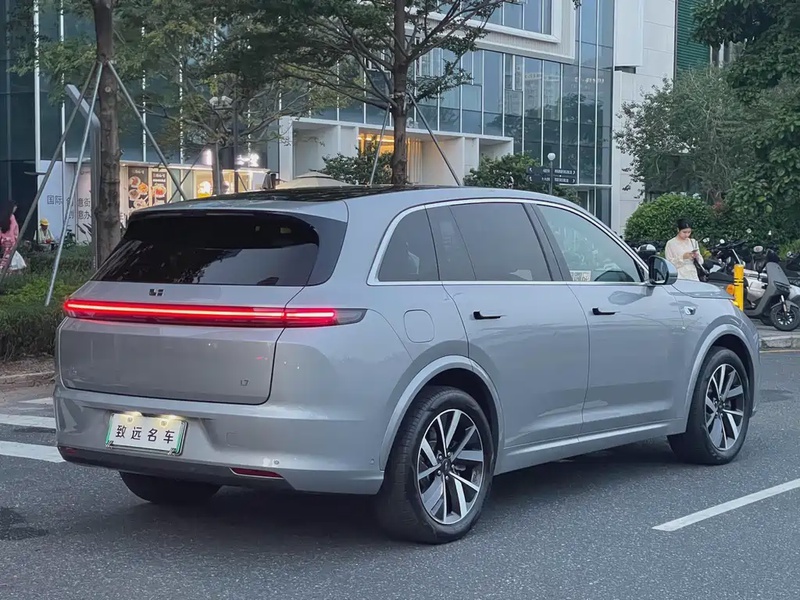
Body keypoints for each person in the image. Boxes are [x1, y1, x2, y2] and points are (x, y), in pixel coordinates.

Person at [0, 203, 17, 271]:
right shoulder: (12, 217)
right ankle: (4, 271)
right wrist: (14, 240)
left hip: (3, 240)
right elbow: (14, 230)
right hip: (10, 241)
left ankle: (2, 269)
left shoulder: (2, 216)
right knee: (8, 258)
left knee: (4, 257)